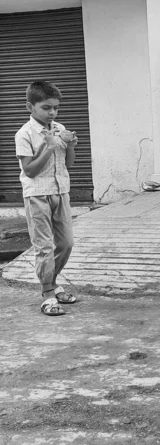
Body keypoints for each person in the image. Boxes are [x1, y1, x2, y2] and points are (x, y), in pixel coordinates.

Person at [14, 81, 79, 316]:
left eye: (56, 108)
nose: (52, 113)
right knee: (44, 247)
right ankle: (48, 294)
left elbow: (68, 165)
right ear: (30, 107)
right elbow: (30, 171)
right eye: (46, 107)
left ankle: (52, 282)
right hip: (37, 195)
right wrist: (49, 147)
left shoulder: (59, 128)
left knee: (65, 243)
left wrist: (70, 145)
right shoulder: (24, 134)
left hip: (61, 192)